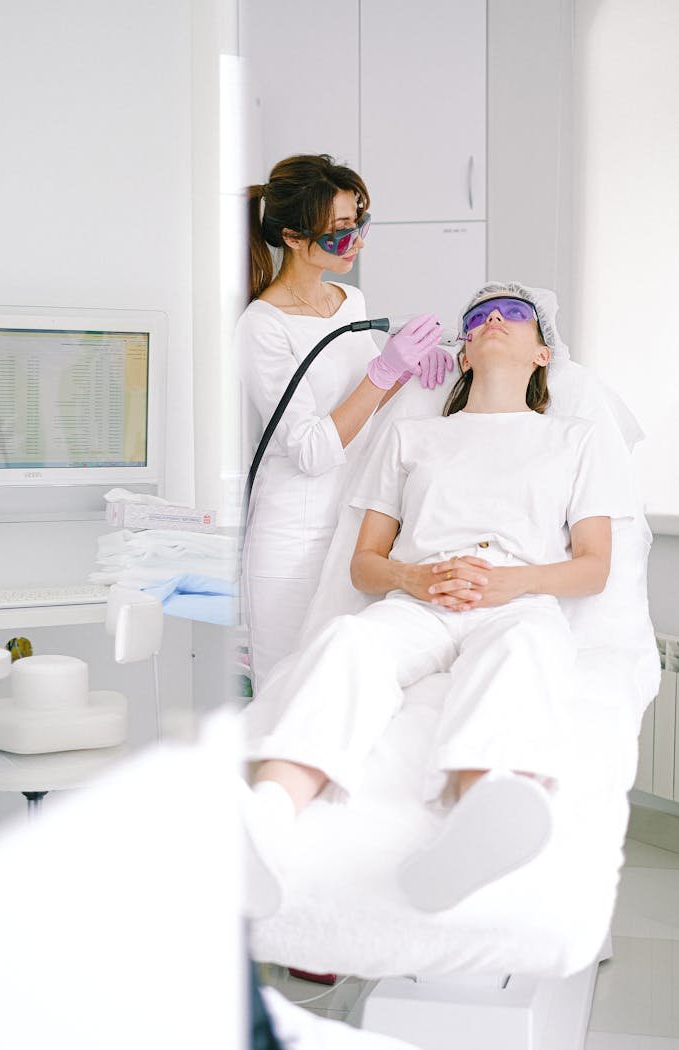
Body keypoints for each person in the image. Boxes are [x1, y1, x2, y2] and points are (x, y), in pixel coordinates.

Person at [241, 285, 636, 918]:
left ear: (542, 353)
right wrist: (415, 581)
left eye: (514, 315)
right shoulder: (414, 437)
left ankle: (472, 828)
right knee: (349, 643)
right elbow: (365, 563)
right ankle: (263, 822)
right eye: (479, 317)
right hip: (421, 596)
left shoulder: (576, 438)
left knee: (522, 649)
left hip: (518, 598)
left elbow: (594, 568)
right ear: (462, 353)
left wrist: (514, 583)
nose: (495, 321)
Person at [236, 153, 451, 689]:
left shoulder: (349, 300)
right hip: (294, 539)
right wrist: (384, 370)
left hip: (352, 528)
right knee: (287, 696)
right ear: (292, 236)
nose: (354, 241)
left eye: (359, 223)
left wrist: (409, 371)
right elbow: (310, 450)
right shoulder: (262, 327)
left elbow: (365, 405)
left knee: (341, 692)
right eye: (338, 233)